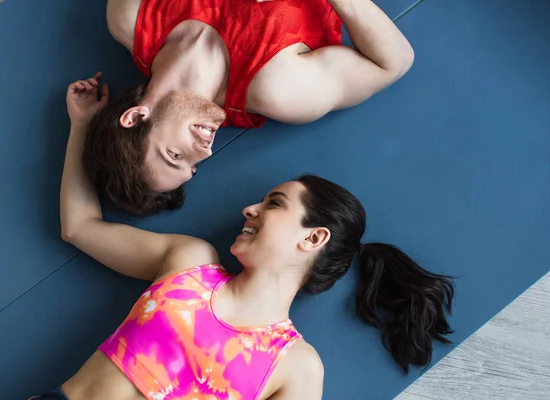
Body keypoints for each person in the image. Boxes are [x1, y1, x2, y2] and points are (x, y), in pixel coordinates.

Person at [34, 76, 454, 400]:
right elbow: (80, 228)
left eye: (274, 204)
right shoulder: (188, 262)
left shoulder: (297, 368)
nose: (249, 210)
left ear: (312, 238)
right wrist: (82, 125)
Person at [80, 0, 415, 215]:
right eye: (194, 167)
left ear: (136, 116)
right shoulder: (280, 91)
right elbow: (394, 63)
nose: (206, 152)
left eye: (176, 155)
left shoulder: (130, 15)